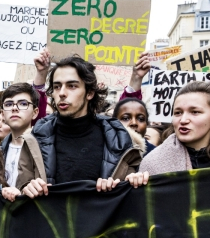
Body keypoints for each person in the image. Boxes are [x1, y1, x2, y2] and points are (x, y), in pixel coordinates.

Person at [22, 55, 144, 197]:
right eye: (56, 86)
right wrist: (26, 187)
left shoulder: (117, 140)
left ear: (90, 93)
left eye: (72, 86)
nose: (62, 93)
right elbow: (19, 189)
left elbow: (130, 196)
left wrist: (133, 182)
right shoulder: (35, 139)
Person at [0, 82, 46, 189]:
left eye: (23, 104)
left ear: (35, 112)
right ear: (2, 113)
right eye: (9, 104)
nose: (14, 108)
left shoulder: (46, 148)